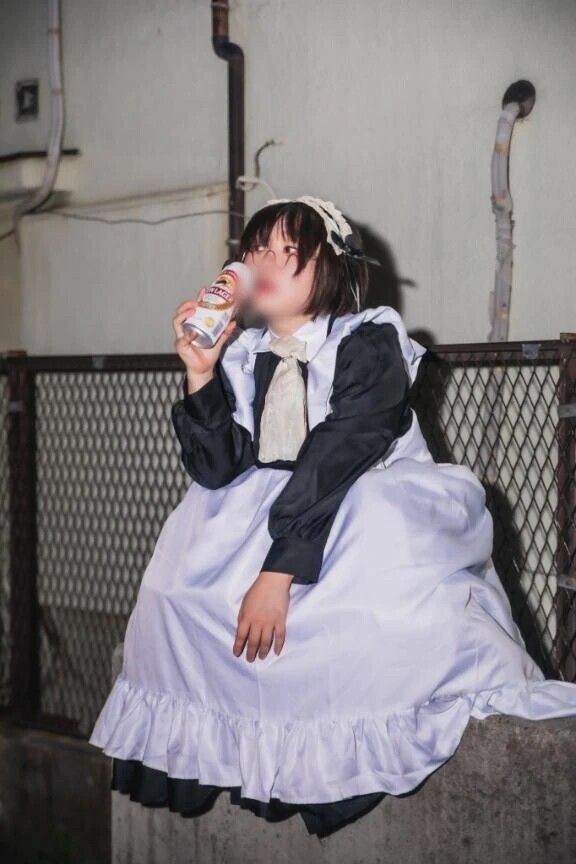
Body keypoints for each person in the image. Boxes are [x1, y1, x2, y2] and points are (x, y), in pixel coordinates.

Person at [89, 196, 576, 838]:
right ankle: (244, 752)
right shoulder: (244, 352)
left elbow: (339, 453)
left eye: (286, 250)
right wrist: (199, 373)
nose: (262, 262)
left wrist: (278, 572)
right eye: (254, 250)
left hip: (358, 509)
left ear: (332, 266)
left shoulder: (367, 341)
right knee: (180, 571)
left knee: (377, 591)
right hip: (281, 515)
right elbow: (217, 468)